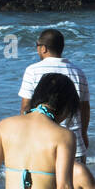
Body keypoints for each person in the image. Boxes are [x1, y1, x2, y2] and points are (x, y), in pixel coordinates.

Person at [17, 29, 89, 164]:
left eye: (37, 46)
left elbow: (25, 106)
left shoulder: (32, 71)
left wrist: (24, 137)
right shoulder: (78, 72)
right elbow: (84, 107)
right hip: (74, 143)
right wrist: (83, 133)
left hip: (42, 143)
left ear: (43, 48)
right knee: (75, 183)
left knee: (45, 184)